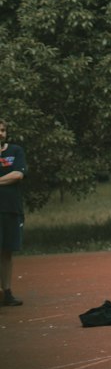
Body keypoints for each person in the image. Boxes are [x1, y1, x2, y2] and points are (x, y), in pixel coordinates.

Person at [0, 118, 26, 307]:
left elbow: (17, 175)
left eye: (2, 130)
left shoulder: (15, 151)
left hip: (10, 209)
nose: (0, 133)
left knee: (7, 251)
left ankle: (7, 292)